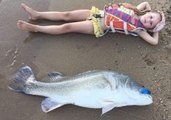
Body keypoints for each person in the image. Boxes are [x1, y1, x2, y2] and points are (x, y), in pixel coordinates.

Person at [17, 2, 165, 45]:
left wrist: (156, 29)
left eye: (151, 23)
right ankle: (37, 14)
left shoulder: (140, 30)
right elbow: (145, 3)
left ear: (149, 28)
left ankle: (36, 28)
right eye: (151, 16)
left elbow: (154, 42)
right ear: (148, 13)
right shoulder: (137, 11)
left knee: (67, 27)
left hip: (97, 26)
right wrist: (147, 12)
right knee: (66, 15)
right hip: (96, 13)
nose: (149, 20)